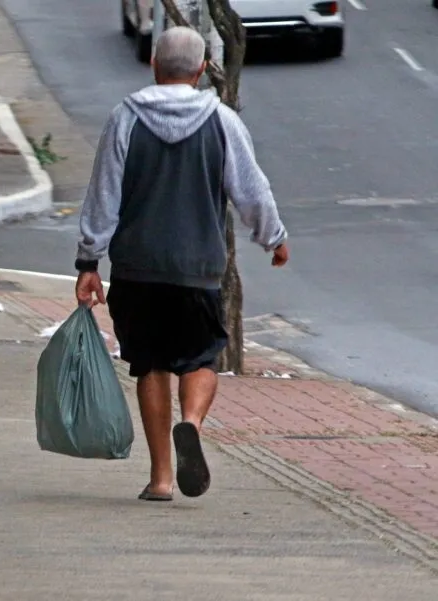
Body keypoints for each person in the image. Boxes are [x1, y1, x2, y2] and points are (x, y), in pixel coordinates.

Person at [74, 27, 289, 501]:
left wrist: (89, 260)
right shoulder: (223, 121)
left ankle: (161, 479)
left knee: (150, 366)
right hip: (198, 268)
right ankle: (189, 422)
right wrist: (273, 238)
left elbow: (103, 194)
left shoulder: (124, 118)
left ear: (154, 64)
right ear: (201, 69)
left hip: (137, 268)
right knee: (201, 359)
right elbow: (251, 191)